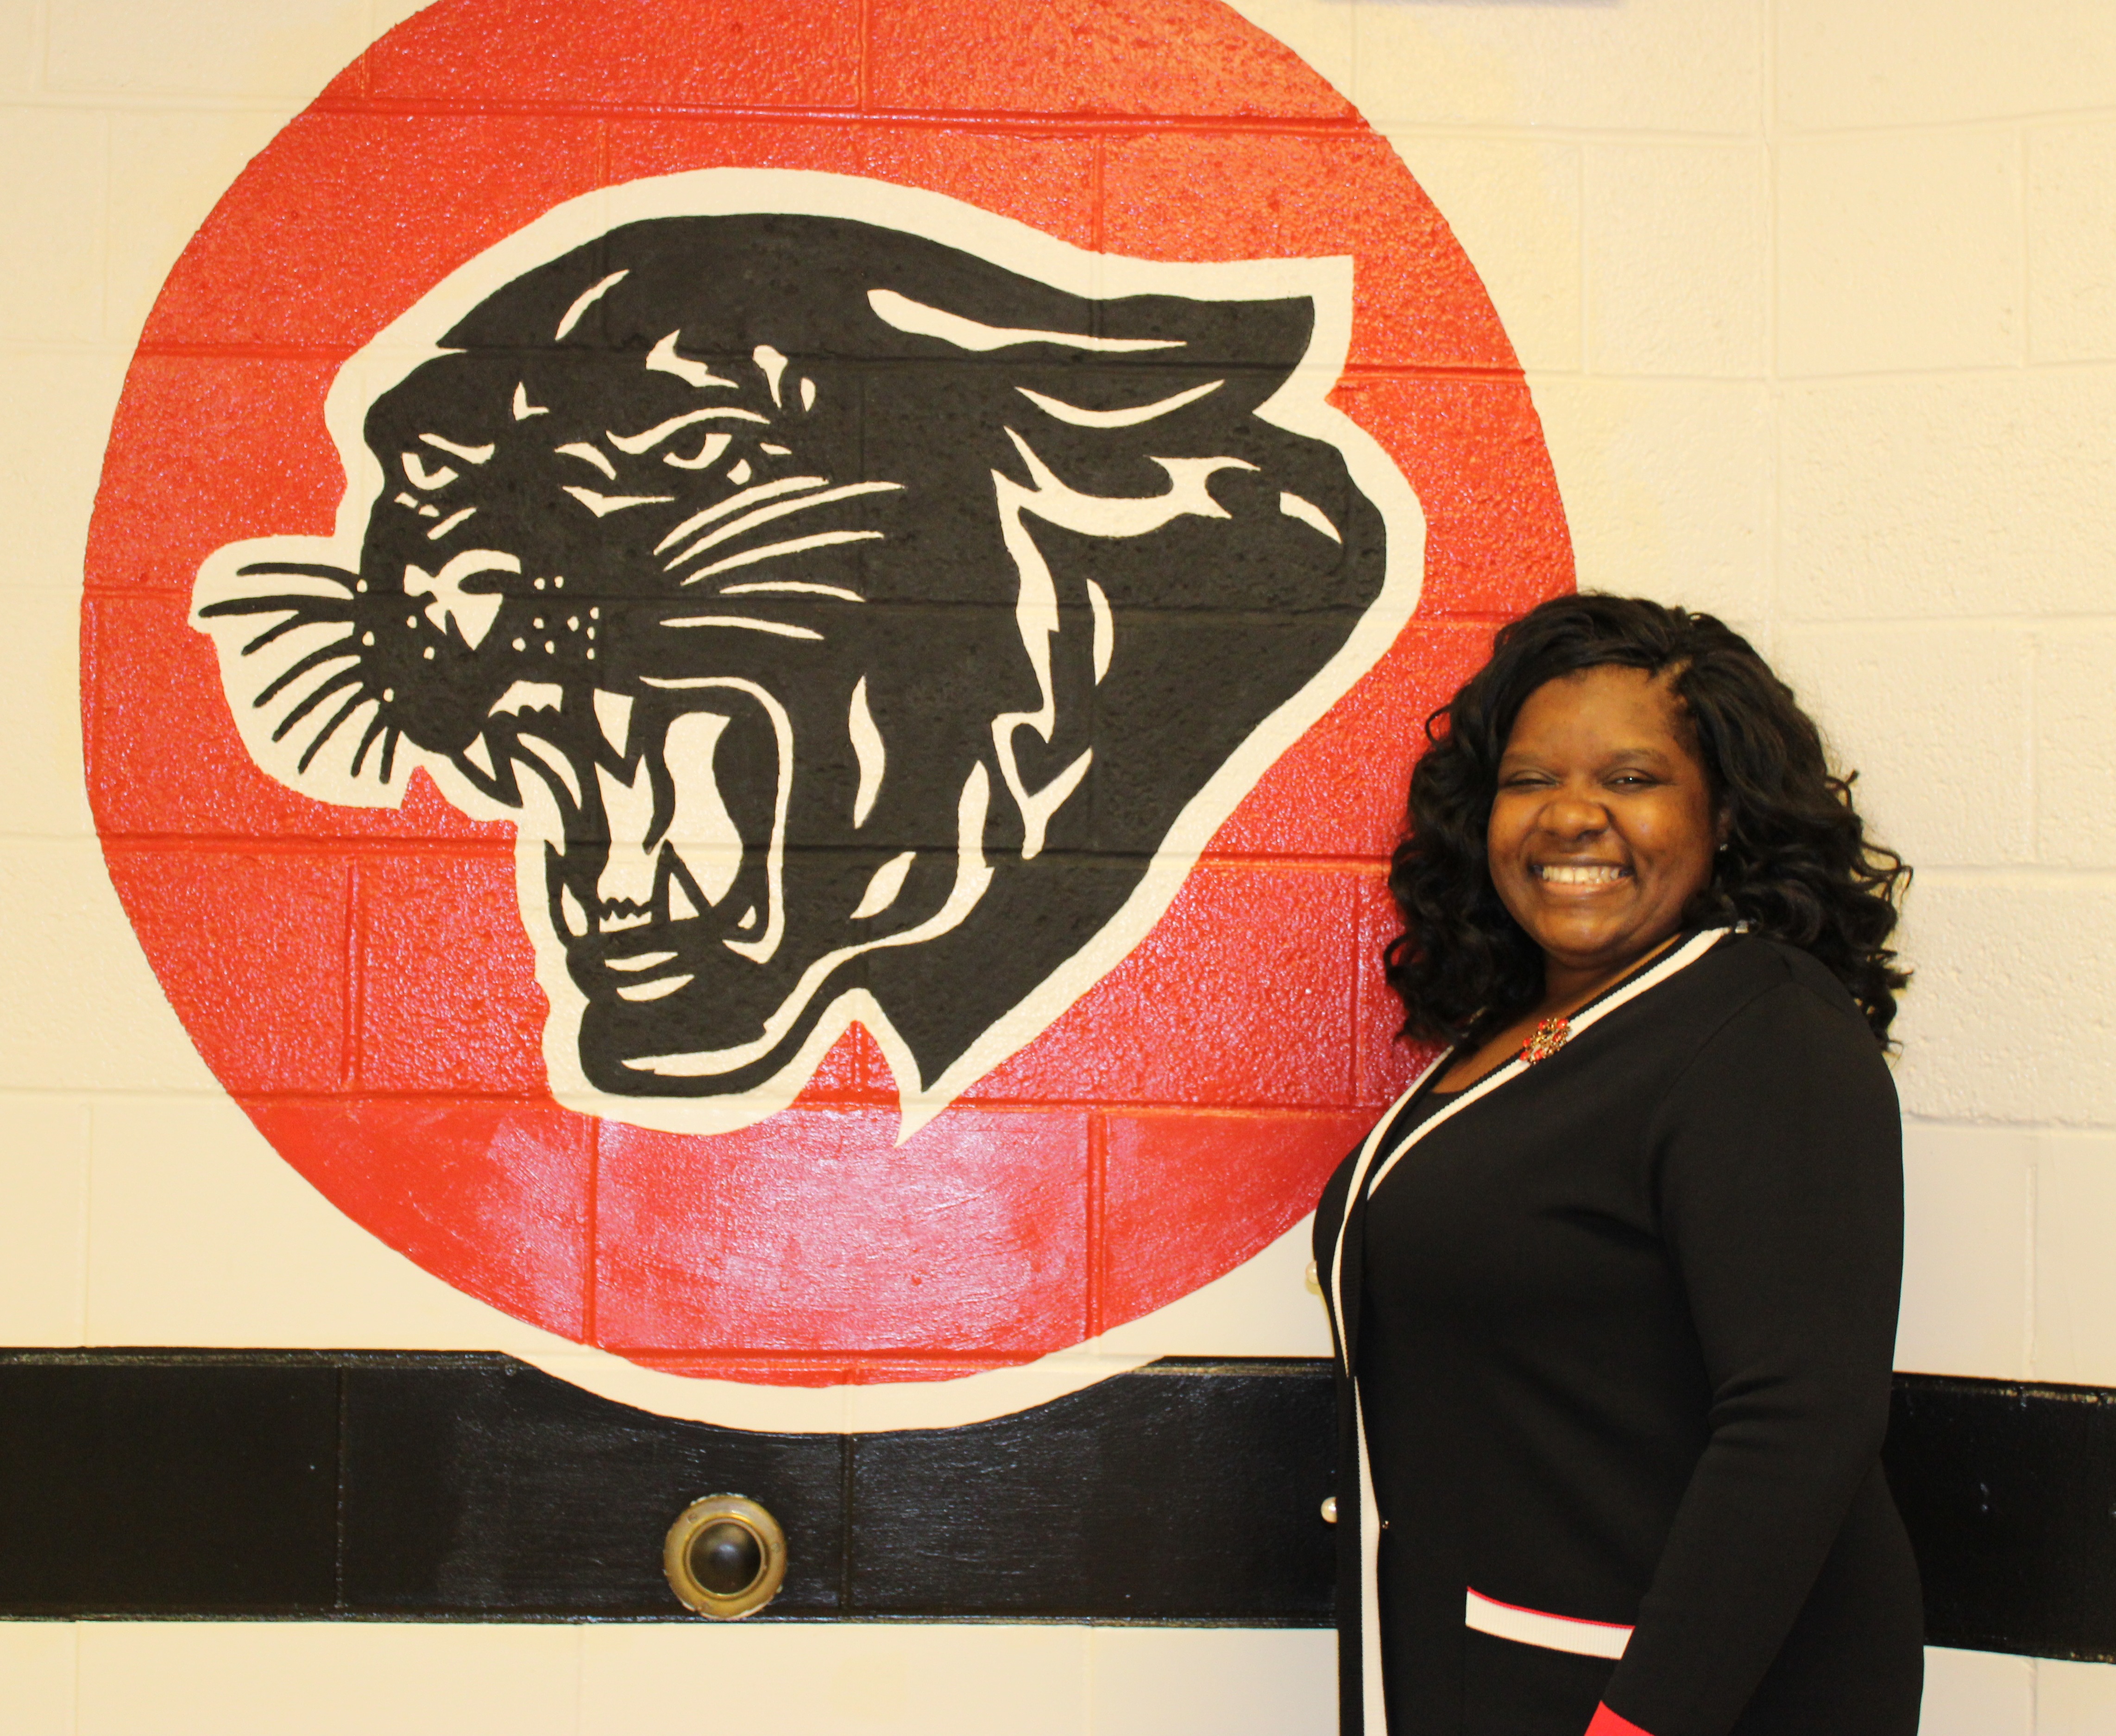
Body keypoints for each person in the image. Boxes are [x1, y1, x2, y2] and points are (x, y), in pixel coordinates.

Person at [1314, 595, 1922, 1736]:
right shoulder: (1521, 1027)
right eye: (1530, 779)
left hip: (1653, 1698)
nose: (1573, 816)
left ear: (1727, 812)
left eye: (1634, 779)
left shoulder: (1762, 1026)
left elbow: (1798, 1424)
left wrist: (1641, 1722)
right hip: (1486, 1669)